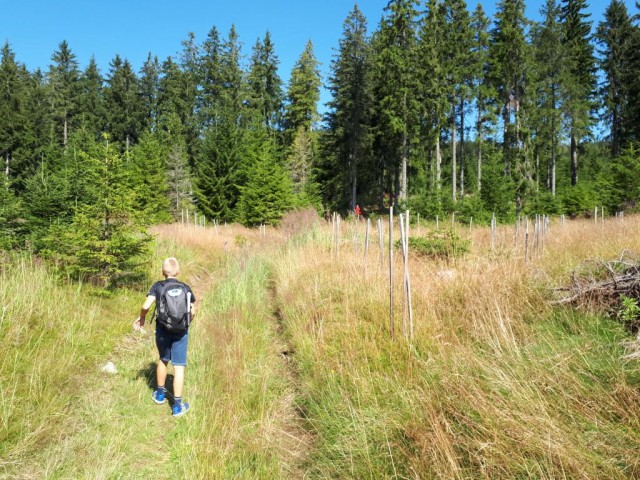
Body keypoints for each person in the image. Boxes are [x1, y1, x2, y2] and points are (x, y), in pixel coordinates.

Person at [133, 257, 196, 417]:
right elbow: (193, 311)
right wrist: (185, 324)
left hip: (162, 330)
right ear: (178, 272)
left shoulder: (158, 286)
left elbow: (146, 305)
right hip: (181, 331)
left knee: (163, 359)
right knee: (179, 366)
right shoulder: (185, 287)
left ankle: (160, 395)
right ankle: (177, 406)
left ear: (163, 272)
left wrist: (142, 319)